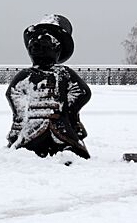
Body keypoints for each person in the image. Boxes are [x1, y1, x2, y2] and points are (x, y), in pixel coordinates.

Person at [6, 14, 92, 159]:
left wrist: (66, 110)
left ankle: (68, 156)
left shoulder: (63, 73)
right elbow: (13, 93)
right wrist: (22, 117)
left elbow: (82, 92)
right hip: (33, 124)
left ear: (57, 49)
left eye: (44, 42)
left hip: (60, 124)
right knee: (24, 150)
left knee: (72, 149)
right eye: (33, 43)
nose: (36, 46)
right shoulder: (26, 74)